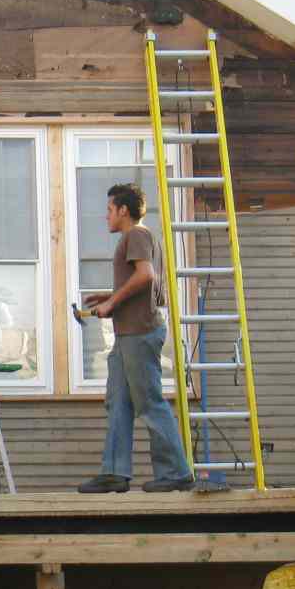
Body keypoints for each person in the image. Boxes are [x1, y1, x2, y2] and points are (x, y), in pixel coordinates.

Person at [77, 184, 193, 494]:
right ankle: (115, 471)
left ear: (123, 210)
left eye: (109, 210)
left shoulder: (137, 236)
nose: (106, 217)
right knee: (118, 402)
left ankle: (176, 472)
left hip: (139, 333)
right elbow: (145, 284)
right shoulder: (143, 237)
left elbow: (146, 277)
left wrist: (112, 304)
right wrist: (111, 295)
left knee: (149, 402)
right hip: (128, 334)